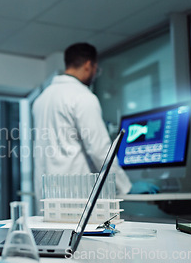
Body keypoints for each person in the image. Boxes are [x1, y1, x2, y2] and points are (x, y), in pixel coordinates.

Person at [32, 43, 159, 212]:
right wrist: (126, 187)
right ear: (88, 65)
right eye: (96, 69)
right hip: (75, 197)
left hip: (47, 198)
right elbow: (100, 150)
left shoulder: (41, 99)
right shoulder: (82, 96)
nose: (95, 74)